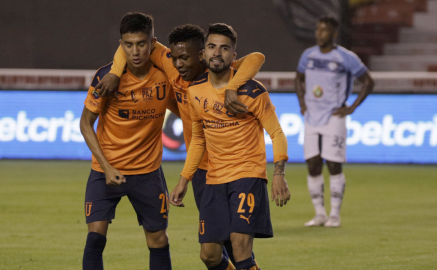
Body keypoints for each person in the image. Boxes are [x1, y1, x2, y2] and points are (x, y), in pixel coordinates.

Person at [97, 24, 265, 266]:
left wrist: (232, 86)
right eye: (176, 59)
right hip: (202, 171)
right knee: (211, 254)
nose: (178, 64)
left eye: (185, 58)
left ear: (201, 56)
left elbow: (257, 58)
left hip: (235, 168)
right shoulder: (171, 62)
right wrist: (115, 71)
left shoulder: (219, 70)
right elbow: (135, 43)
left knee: (236, 245)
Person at [171, 23, 291, 270]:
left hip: (248, 175)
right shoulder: (194, 91)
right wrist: (184, 179)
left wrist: (279, 173)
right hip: (214, 179)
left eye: (225, 48)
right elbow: (199, 139)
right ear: (203, 54)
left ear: (233, 57)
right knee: (210, 255)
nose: (217, 53)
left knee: (240, 247)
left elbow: (276, 133)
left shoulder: (253, 91)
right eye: (212, 47)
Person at [79, 12, 179, 270]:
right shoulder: (107, 78)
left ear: (152, 43)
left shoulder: (165, 76)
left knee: (158, 239)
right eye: (128, 44)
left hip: (147, 173)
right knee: (95, 238)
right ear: (121, 45)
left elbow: (185, 111)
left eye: (142, 44)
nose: (135, 51)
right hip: (105, 171)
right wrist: (107, 166)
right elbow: (85, 123)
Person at [294, 16, 374, 227]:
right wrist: (302, 102)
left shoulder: (346, 57)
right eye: (318, 30)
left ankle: (335, 214)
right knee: (312, 163)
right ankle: (320, 213)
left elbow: (368, 81)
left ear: (334, 34)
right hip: (311, 116)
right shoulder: (308, 55)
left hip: (334, 116)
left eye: (324, 31)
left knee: (333, 164)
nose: (319, 34)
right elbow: (298, 78)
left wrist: (352, 107)